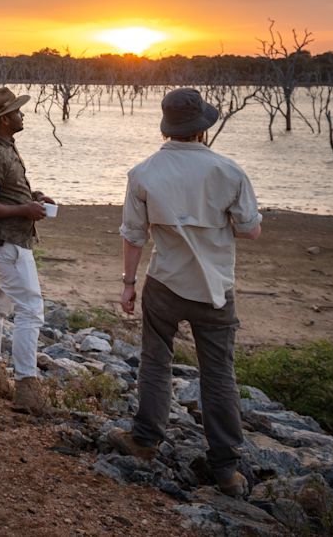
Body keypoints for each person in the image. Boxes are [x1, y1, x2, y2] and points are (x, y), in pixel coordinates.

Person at [111, 88, 262, 498]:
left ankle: (145, 440)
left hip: (164, 281)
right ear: (202, 129)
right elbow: (250, 230)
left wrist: (128, 283)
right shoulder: (229, 172)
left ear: (168, 127)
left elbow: (133, 236)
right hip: (214, 288)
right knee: (218, 374)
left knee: (155, 362)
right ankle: (226, 468)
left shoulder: (143, 173)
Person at [0, 86, 53, 415]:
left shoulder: (3, 145)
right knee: (30, 308)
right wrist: (23, 211)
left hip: (3, 241)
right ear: (4, 120)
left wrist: (34, 198)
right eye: (17, 111)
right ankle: (27, 386)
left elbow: (3, 193)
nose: (22, 114)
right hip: (5, 242)